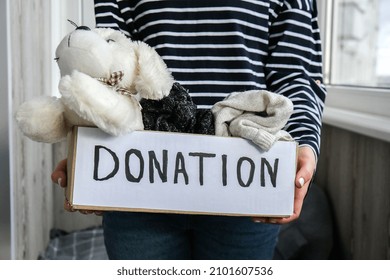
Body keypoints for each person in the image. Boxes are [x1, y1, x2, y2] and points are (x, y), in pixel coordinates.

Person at [52, 0, 326, 260]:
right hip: (139, 179)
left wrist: (303, 144)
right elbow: (109, 69)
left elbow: (293, 73)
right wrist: (89, 145)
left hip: (246, 177)